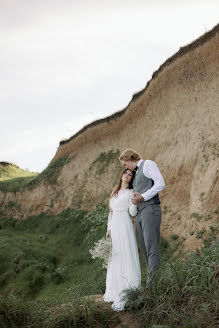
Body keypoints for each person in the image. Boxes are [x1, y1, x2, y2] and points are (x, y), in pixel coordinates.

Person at [119, 149, 165, 289]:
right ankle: (153, 283)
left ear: (131, 158)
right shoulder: (136, 173)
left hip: (150, 209)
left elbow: (160, 183)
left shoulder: (148, 164)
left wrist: (143, 197)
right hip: (139, 214)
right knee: (145, 250)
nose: (126, 167)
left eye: (125, 163)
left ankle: (152, 288)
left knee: (151, 249)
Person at [103, 168, 141, 312]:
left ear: (131, 179)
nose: (127, 175)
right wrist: (109, 228)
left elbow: (132, 212)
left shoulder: (130, 193)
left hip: (125, 225)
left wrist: (135, 202)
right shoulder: (115, 191)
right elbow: (111, 211)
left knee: (125, 254)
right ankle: (115, 289)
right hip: (115, 225)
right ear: (122, 175)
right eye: (125, 173)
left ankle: (128, 289)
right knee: (116, 256)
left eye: (130, 175)